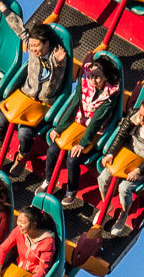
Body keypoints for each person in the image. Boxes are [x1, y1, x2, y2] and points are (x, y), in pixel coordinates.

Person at [0, 0, 69, 176]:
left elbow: (57, 83)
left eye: (36, 47)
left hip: (41, 104)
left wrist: (59, 64)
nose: (32, 50)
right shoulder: (32, 50)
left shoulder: (54, 58)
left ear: (46, 44)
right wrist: (0, 4)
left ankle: (22, 156)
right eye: (31, 46)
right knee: (0, 117)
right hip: (24, 95)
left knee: (25, 133)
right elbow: (18, 28)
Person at [41, 54, 121, 204]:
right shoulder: (85, 82)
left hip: (94, 131)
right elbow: (74, 105)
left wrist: (82, 143)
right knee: (53, 149)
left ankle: (72, 189)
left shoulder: (110, 95)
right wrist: (59, 128)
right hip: (78, 123)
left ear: (106, 78)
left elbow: (96, 122)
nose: (93, 80)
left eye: (98, 77)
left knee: (73, 159)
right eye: (92, 76)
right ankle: (48, 179)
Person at [96, 97, 144, 236]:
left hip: (143, 161)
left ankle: (124, 213)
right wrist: (110, 153)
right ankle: (106, 204)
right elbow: (121, 135)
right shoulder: (134, 117)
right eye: (140, 115)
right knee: (102, 178)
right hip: (127, 153)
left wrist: (139, 170)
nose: (141, 119)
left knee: (124, 188)